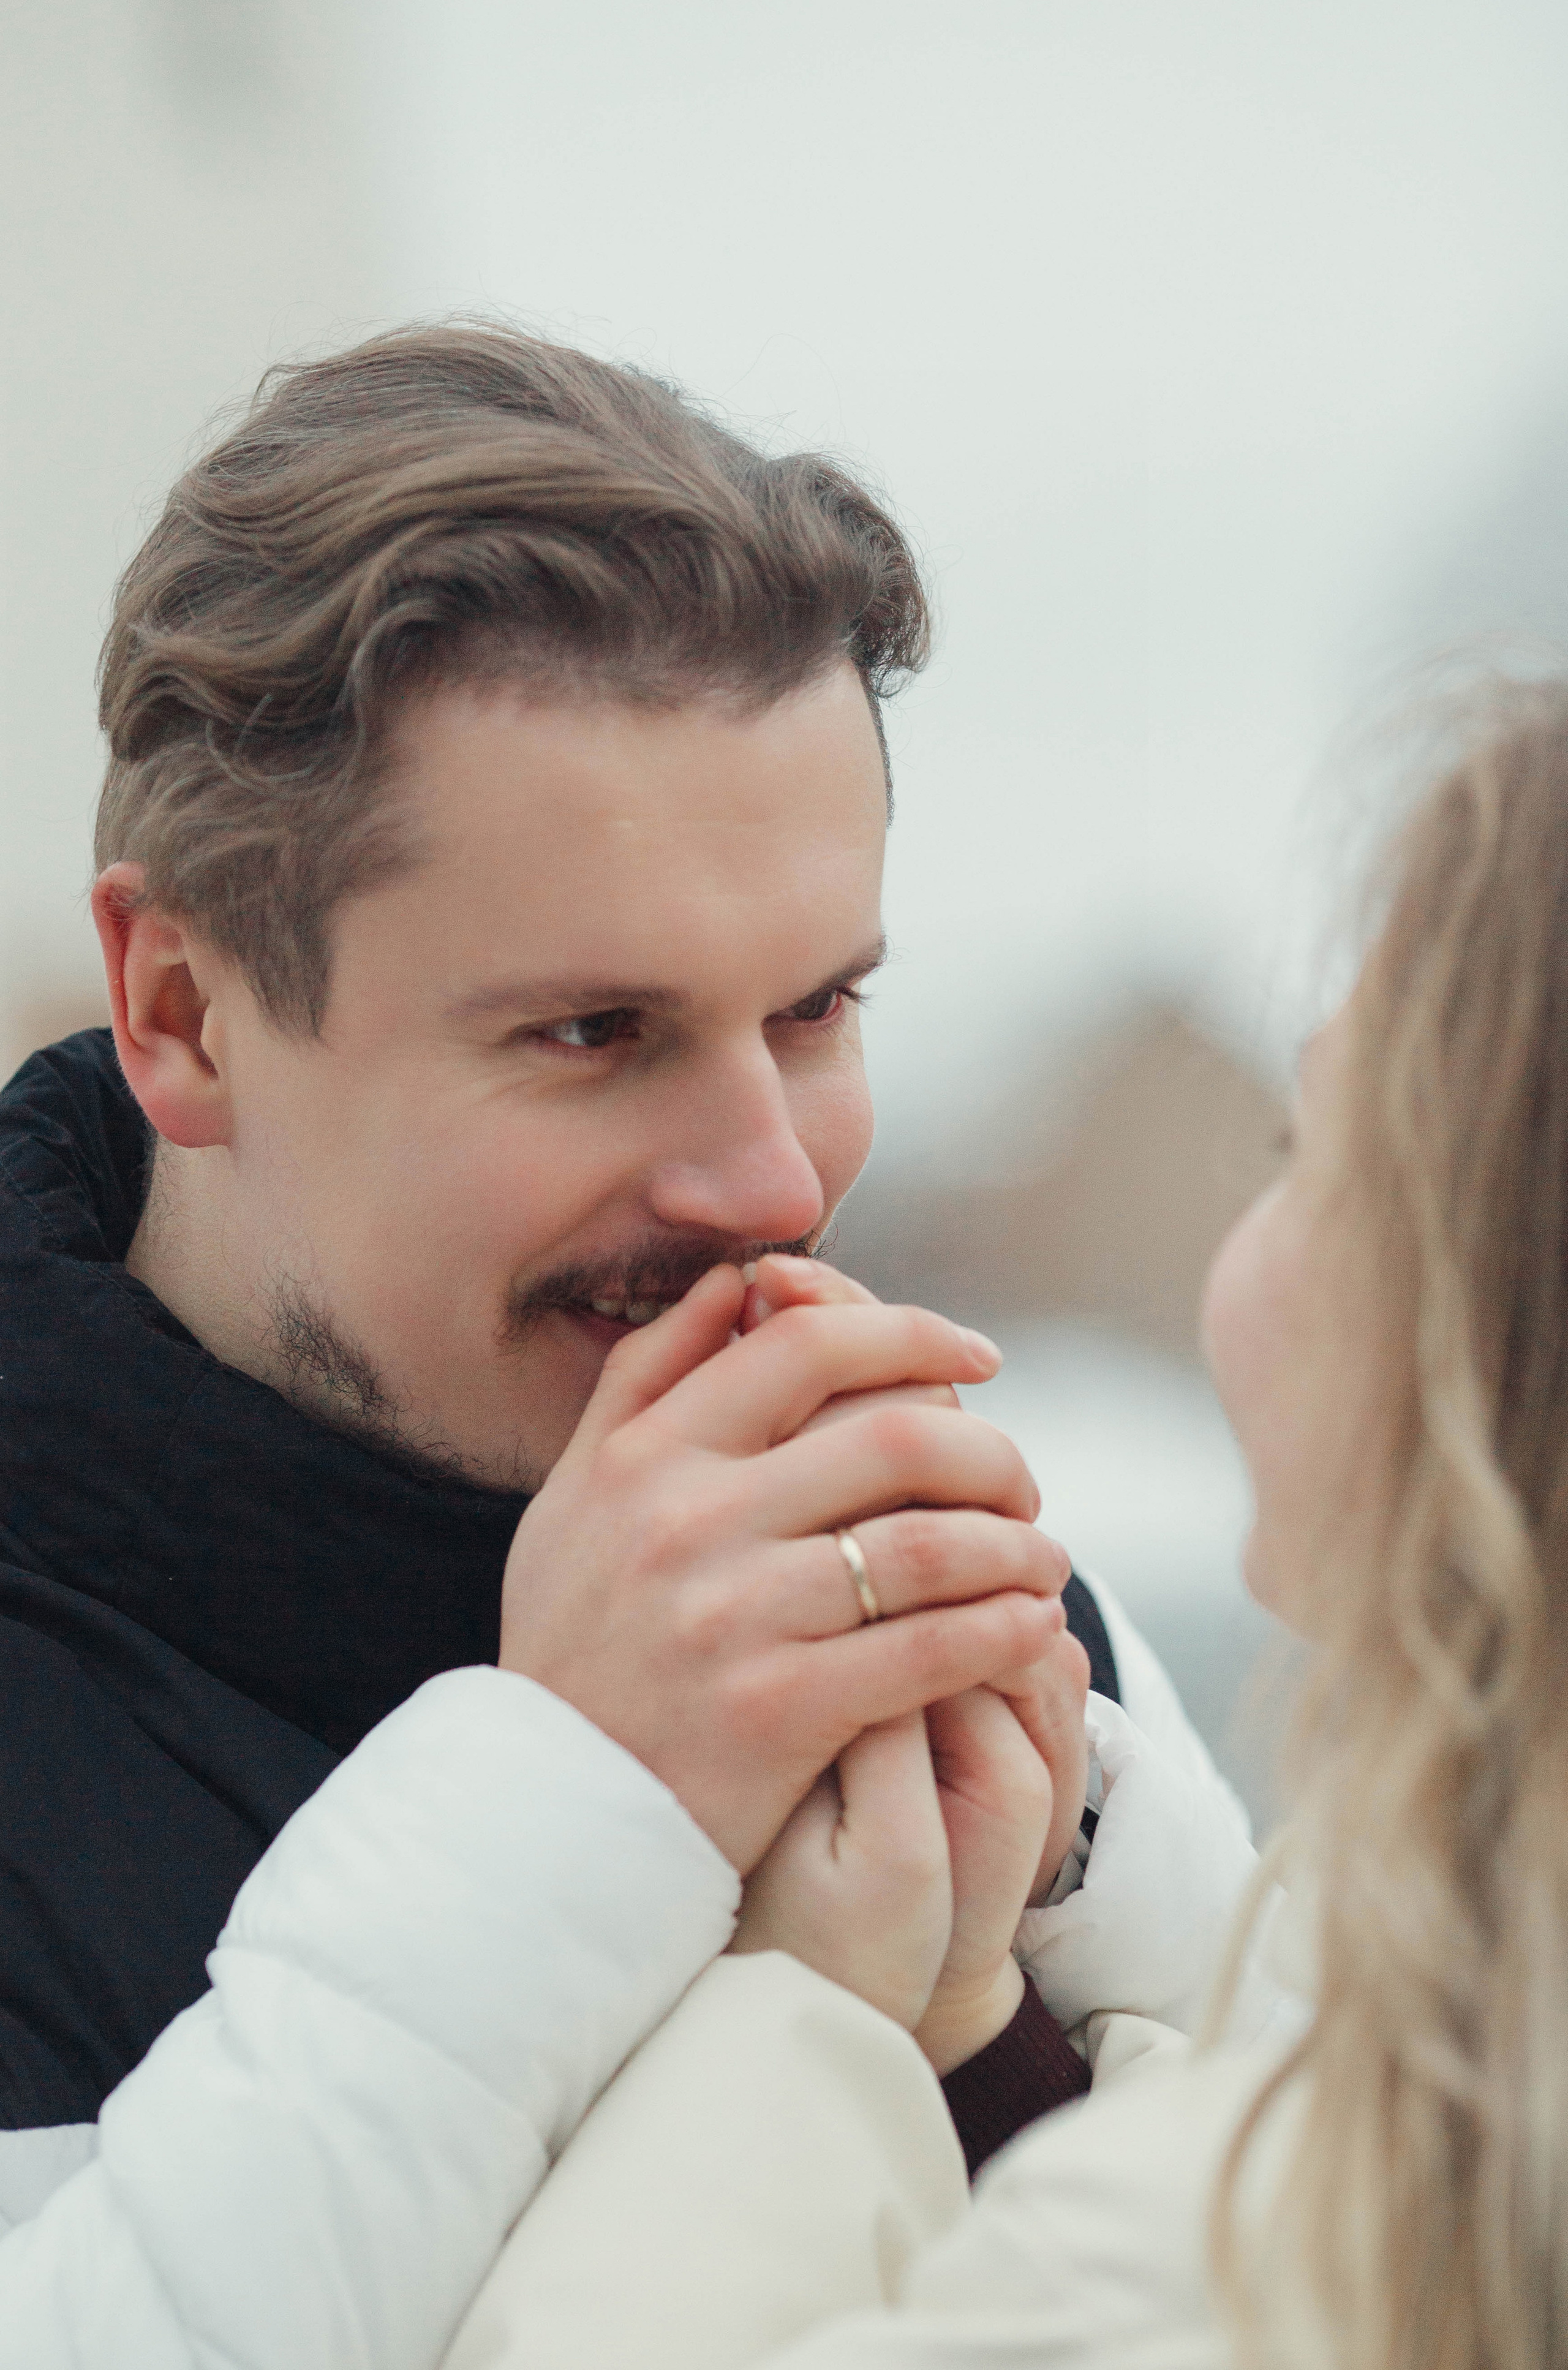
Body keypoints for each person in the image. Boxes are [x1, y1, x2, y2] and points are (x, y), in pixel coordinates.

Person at [0, 325, 1243, 2362]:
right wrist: (583, 1796)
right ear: (187, 1014)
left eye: (821, 1007)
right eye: (596, 1035)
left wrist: (1050, 1931)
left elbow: (1376, 2257)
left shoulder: (925, 1561)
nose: (770, 1182)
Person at [440, 681, 1568, 2370]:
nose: (768, 1189)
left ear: (1481, 1308)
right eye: (596, 1028)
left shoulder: (1274, 2247)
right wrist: (972, 2010)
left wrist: (793, 1982)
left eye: (1303, 1144)